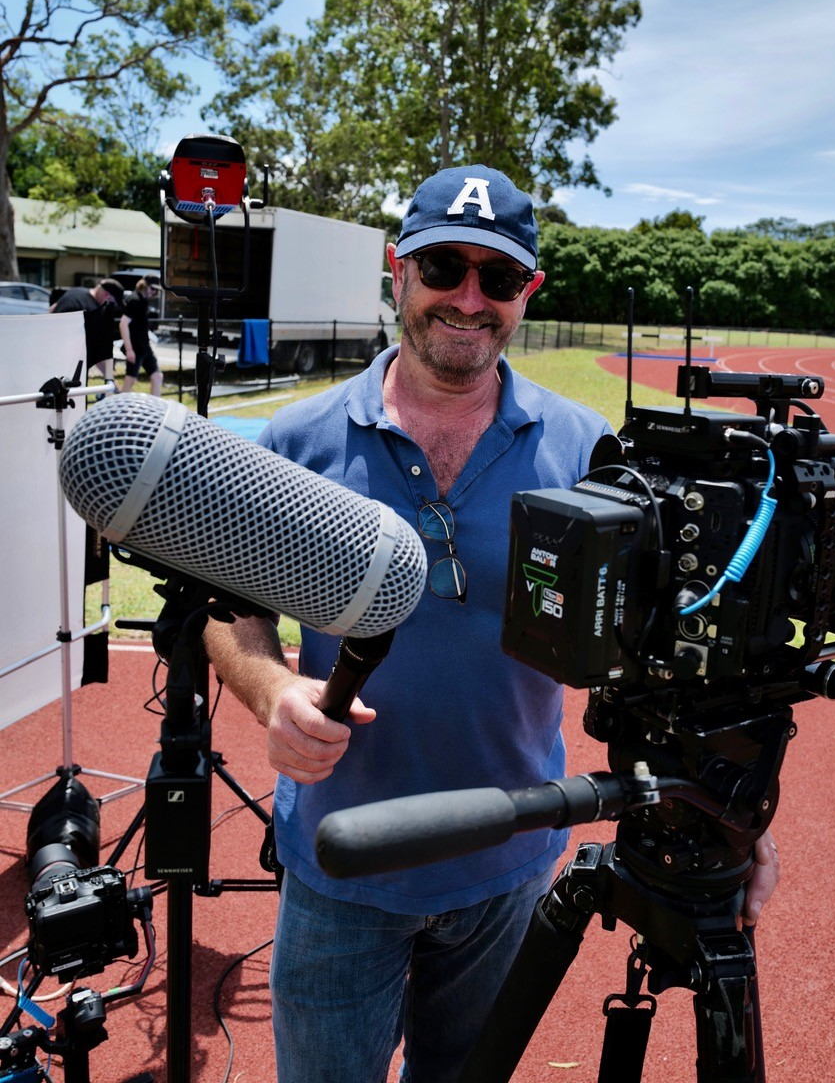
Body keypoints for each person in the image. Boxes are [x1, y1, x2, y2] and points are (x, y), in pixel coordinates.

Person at [203, 164, 779, 1083]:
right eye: (443, 268)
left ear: (529, 294)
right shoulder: (297, 441)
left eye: (498, 278)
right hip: (342, 862)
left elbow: (663, 656)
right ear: (397, 270)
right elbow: (230, 613)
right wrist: (272, 689)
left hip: (510, 865)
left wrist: (732, 818)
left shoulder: (591, 451)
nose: (467, 299)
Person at [49, 278, 124, 381]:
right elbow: (96, 350)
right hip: (71, 363)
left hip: (50, 350)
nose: (109, 305)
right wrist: (110, 379)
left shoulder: (76, 291)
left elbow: (52, 308)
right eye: (111, 302)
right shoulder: (93, 310)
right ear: (106, 295)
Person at [119, 276, 163, 395]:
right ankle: (120, 409)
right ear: (144, 285)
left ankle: (155, 410)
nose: (154, 292)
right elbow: (123, 323)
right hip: (135, 347)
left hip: (144, 346)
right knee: (131, 379)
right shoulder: (134, 300)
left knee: (157, 376)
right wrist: (129, 349)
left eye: (156, 290)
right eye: (152, 288)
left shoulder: (143, 300)